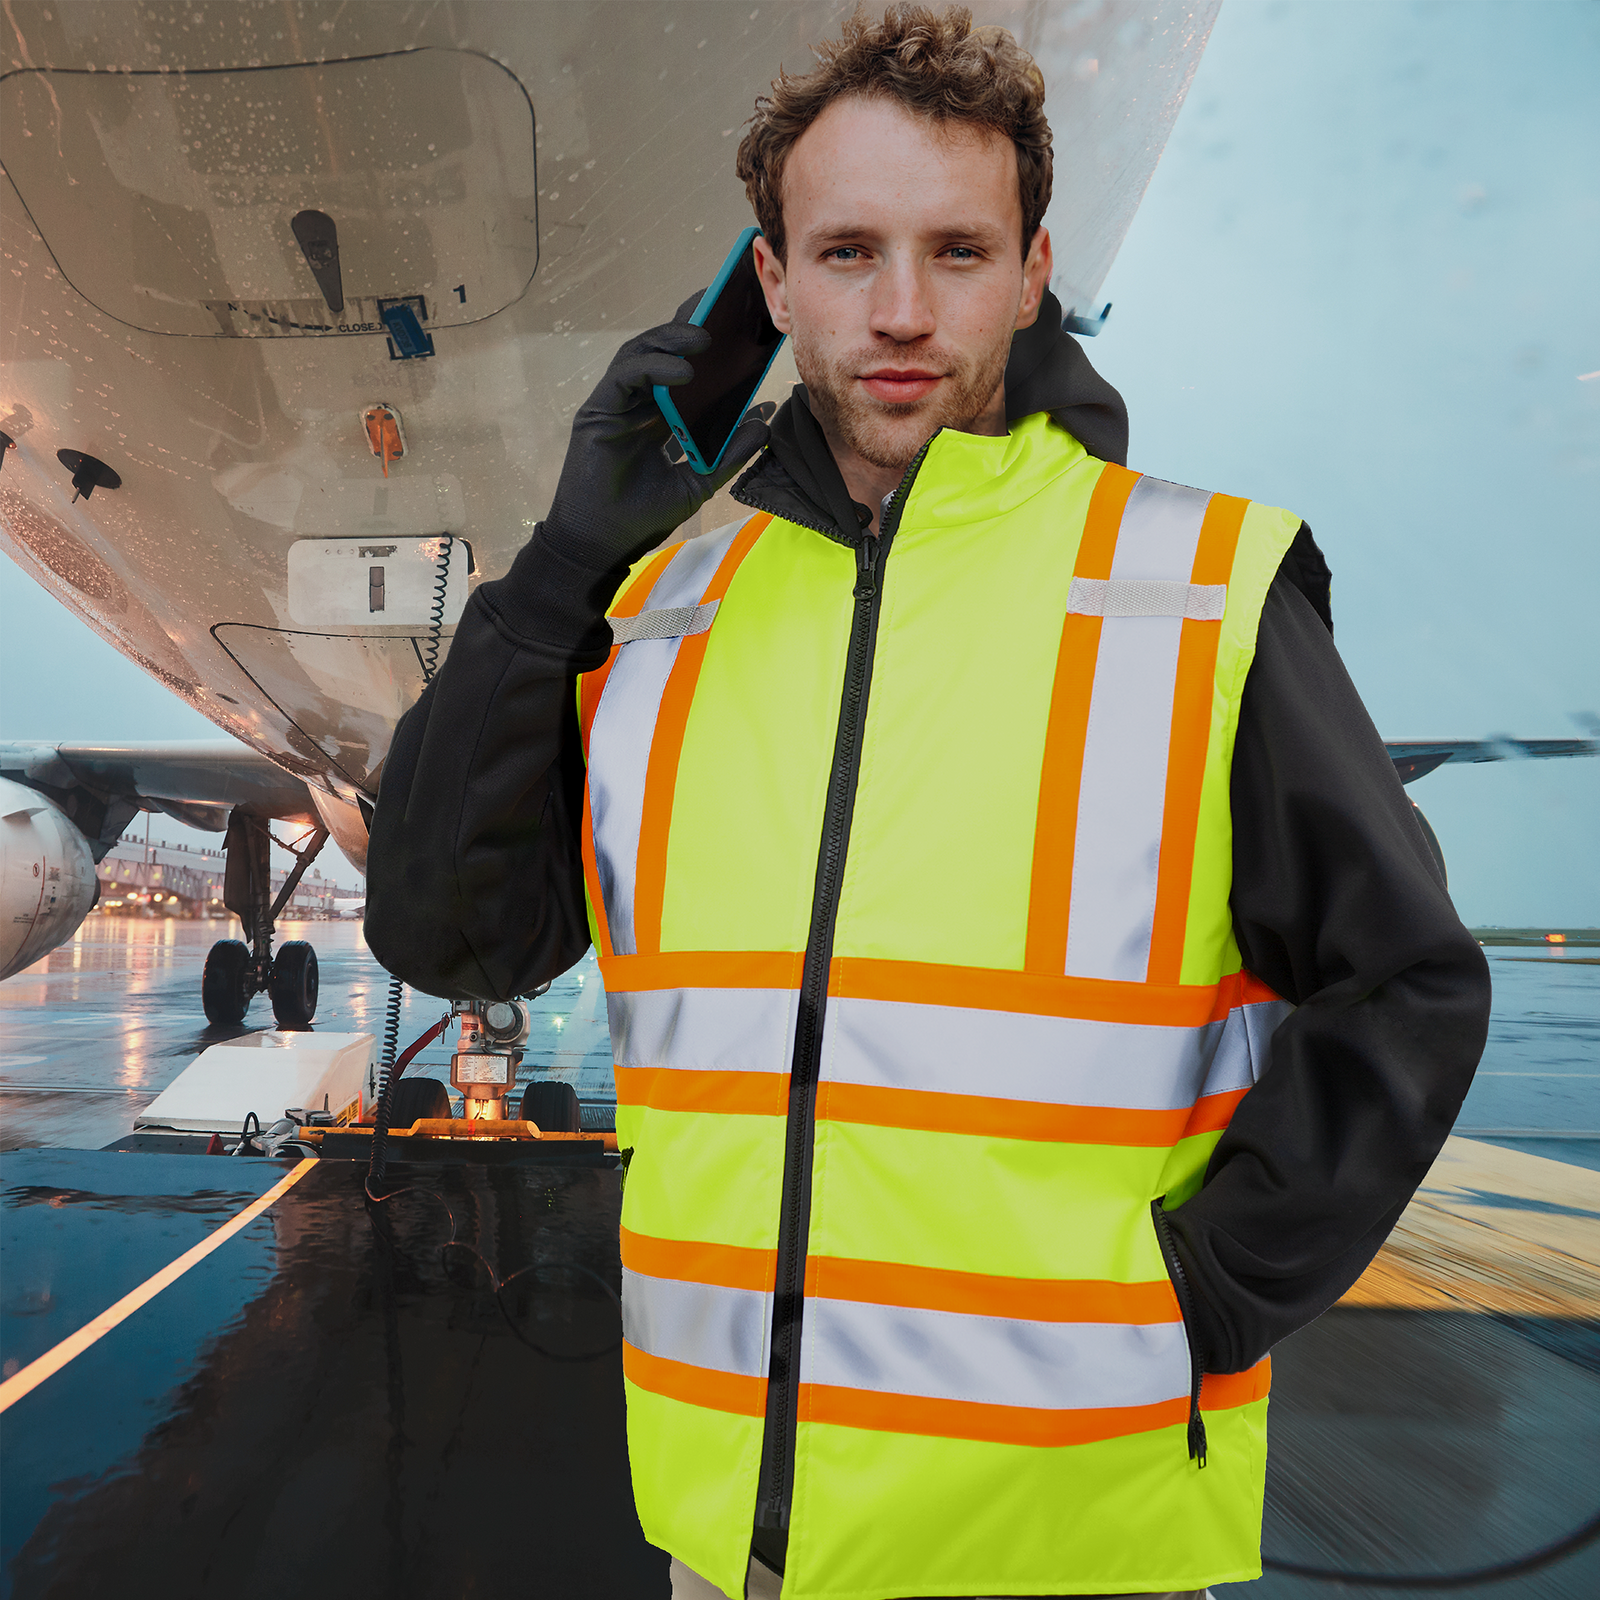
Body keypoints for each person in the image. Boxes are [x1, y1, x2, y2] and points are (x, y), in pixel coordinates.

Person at [366, 7, 1490, 1598]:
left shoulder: (1194, 588)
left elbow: (1411, 986)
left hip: (1070, 1536)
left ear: (1036, 270)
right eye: (845, 253)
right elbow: (448, 936)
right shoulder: (663, 603)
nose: (901, 313)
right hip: (737, 1546)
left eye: (958, 252)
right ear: (768, 286)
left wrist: (1205, 1302)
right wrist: (560, 568)